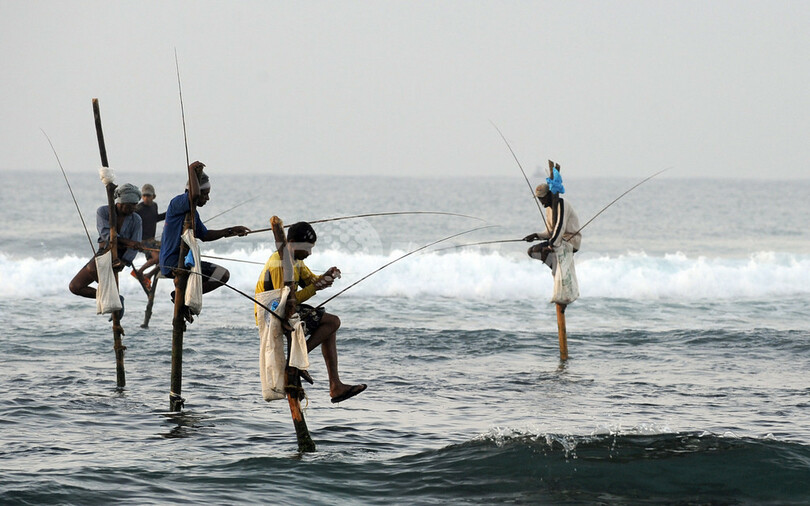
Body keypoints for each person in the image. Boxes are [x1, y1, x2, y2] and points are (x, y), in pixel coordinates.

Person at [255, 221, 366, 404]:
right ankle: (297, 362)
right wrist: (316, 287)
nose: (310, 253)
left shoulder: (296, 261)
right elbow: (284, 302)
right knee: (332, 322)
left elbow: (310, 281)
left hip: (285, 311)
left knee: (329, 327)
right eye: (307, 248)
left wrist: (326, 277)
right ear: (292, 243)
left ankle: (335, 385)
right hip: (272, 316)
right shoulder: (278, 264)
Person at [159, 161, 250, 297]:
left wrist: (230, 230)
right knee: (222, 274)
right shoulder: (177, 202)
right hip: (172, 262)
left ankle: (182, 296)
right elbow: (194, 196)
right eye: (205, 194)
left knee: (221, 274)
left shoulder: (193, 214)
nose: (207, 198)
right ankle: (184, 295)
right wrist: (191, 170)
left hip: (185, 261)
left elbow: (205, 235)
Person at [68, 183, 144, 317]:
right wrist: (128, 242)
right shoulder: (103, 211)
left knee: (92, 268)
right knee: (75, 287)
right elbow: (106, 235)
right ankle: (114, 298)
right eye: (130, 205)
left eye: (135, 205)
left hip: (120, 257)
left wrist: (124, 262)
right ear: (121, 203)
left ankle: (113, 298)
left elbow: (134, 246)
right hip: (104, 251)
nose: (134, 208)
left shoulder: (136, 219)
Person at [523, 182, 582, 271]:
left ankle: (558, 269)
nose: (541, 201)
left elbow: (560, 227)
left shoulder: (562, 204)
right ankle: (556, 269)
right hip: (558, 241)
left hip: (570, 241)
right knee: (532, 251)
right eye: (539, 199)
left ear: (550, 194)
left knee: (542, 250)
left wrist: (551, 246)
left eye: (543, 198)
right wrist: (536, 235)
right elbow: (550, 232)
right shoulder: (548, 209)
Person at [131, 183, 165, 288]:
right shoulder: (138, 209)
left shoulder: (154, 206)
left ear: (153, 196)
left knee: (167, 253)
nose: (146, 198)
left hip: (152, 241)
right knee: (157, 258)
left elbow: (155, 218)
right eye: (144, 195)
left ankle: (148, 276)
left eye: (148, 196)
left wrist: (169, 214)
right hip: (142, 241)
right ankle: (139, 272)